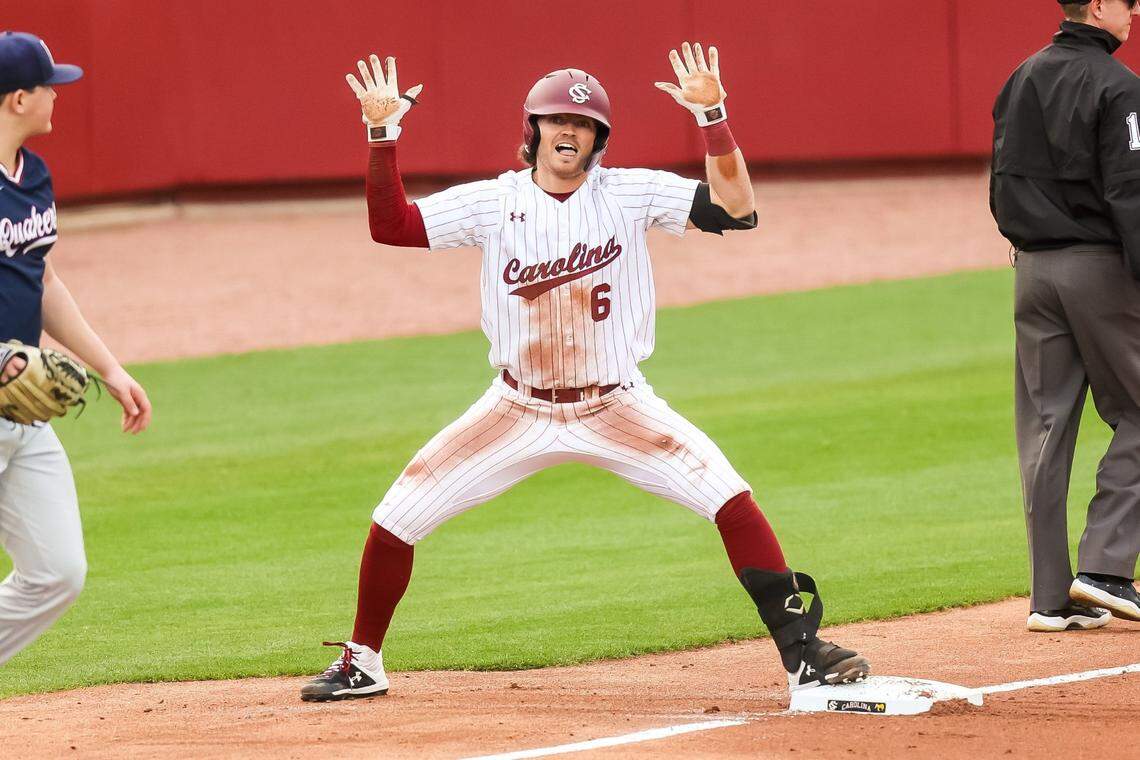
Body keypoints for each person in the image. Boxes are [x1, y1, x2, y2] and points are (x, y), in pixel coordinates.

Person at [301, 41, 869, 701]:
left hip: (616, 407)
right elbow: (391, 225)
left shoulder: (629, 194)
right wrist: (382, 137)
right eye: (557, 121)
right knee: (395, 516)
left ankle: (803, 655)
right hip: (514, 409)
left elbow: (737, 208)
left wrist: (713, 117)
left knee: (728, 496)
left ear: (599, 139)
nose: (569, 132)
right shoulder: (495, 202)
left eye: (584, 125)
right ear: (533, 129)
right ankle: (363, 661)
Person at [0, 31, 152, 666]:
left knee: (58, 571)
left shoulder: (32, 176)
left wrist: (109, 368)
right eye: (48, 86)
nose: (58, 95)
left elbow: (47, 279)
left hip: (20, 408)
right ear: (17, 100)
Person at [991, 0, 1140, 633]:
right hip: (1100, 269)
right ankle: (1105, 567)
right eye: (1130, 4)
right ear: (1102, 5)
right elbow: (1130, 189)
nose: (1135, 14)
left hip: (1032, 269)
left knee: (1046, 429)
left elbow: (1003, 176)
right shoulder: (1119, 85)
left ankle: (1052, 597)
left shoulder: (1021, 75)